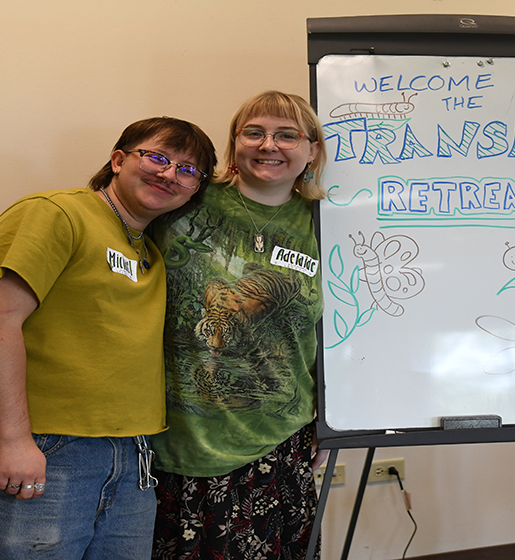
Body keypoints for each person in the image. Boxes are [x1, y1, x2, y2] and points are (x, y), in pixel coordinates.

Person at [0, 117, 217, 559]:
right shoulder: (54, 213)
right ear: (118, 160)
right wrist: (14, 440)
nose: (169, 174)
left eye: (187, 170)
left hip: (130, 456)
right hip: (44, 447)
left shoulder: (149, 249)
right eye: (158, 157)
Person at [148, 91, 326, 560]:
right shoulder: (184, 200)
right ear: (234, 145)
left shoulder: (329, 224)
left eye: (287, 135)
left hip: (278, 444)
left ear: (312, 151)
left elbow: (343, 335)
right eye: (254, 132)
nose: (269, 144)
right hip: (174, 444)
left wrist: (334, 422)